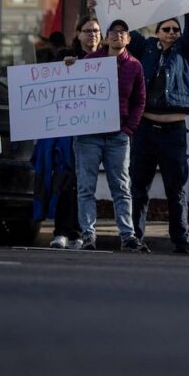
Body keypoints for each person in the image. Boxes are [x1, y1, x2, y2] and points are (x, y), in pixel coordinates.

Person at [129, 0, 189, 254]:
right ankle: (135, 236)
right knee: (139, 187)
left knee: (176, 188)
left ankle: (180, 240)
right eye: (166, 29)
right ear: (157, 32)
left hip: (174, 133)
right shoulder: (146, 48)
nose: (171, 33)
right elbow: (126, 30)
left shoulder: (186, 50)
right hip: (145, 130)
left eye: (175, 30)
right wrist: (101, 6)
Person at [71, 16, 146, 252]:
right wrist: (67, 68)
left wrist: (128, 129)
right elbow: (74, 91)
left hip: (118, 137)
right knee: (86, 187)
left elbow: (139, 101)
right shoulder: (90, 61)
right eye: (113, 31)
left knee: (121, 188)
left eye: (122, 32)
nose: (117, 35)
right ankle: (88, 235)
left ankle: (128, 236)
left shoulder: (134, 65)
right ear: (106, 36)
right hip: (89, 136)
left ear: (129, 39)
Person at [36, 17, 101, 249]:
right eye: (87, 30)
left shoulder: (106, 57)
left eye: (96, 31)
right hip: (71, 131)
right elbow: (51, 82)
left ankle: (79, 231)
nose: (92, 35)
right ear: (78, 34)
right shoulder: (67, 55)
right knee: (67, 180)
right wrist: (63, 65)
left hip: (97, 131)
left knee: (85, 184)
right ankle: (63, 231)